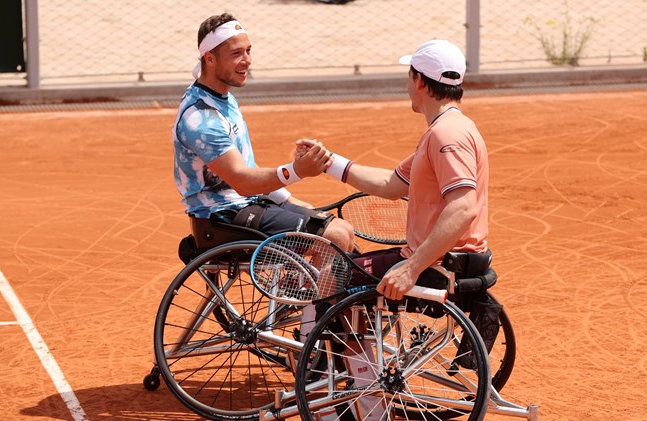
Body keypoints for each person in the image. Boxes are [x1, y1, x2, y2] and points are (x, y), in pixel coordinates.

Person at [309, 39, 490, 301]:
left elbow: (463, 207)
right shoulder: (450, 128)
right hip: (445, 257)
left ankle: (322, 342)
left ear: (419, 81)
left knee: (332, 275)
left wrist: (411, 268)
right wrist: (328, 162)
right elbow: (390, 184)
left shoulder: (446, 135)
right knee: (352, 267)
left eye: (409, 76)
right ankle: (359, 342)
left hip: (439, 262)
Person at [172, 13, 354, 252]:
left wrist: (287, 199)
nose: (247, 61)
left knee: (344, 230)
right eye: (236, 54)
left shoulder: (222, 99)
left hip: (247, 205)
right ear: (210, 58)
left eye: (248, 51)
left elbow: (248, 170)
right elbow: (243, 182)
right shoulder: (202, 118)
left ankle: (295, 288)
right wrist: (296, 171)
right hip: (221, 218)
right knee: (334, 239)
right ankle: (301, 291)